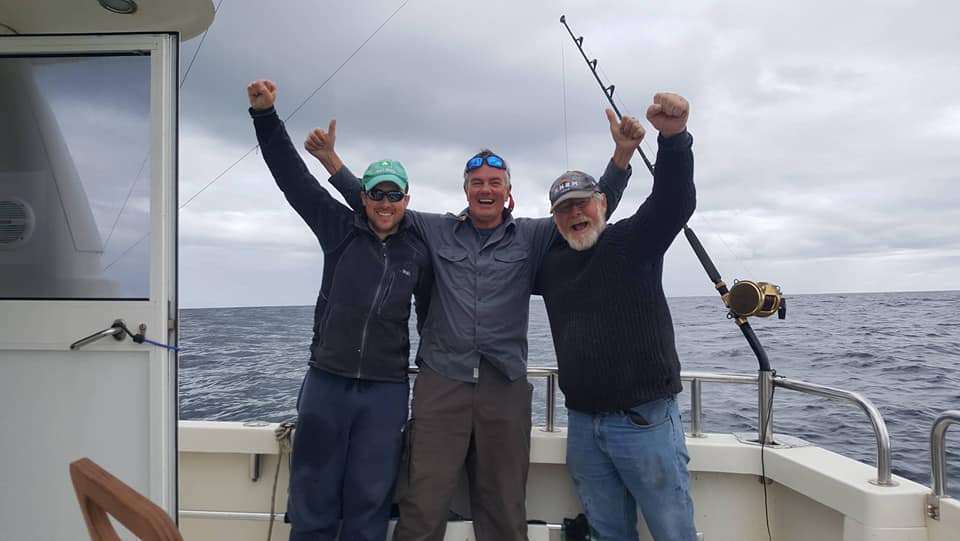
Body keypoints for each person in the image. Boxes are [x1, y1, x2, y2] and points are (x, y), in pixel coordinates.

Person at [304, 110, 645, 540]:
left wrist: (622, 154)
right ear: (465, 191)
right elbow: (377, 204)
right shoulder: (433, 229)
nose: (486, 189)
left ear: (508, 193)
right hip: (440, 384)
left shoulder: (533, 236)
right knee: (422, 503)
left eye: (494, 183)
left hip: (504, 387)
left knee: (504, 507)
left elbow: (592, 211)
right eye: (477, 183)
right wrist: (331, 161)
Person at [246, 79, 433, 541]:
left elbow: (429, 316)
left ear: (406, 200)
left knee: (370, 497)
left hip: (386, 390)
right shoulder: (338, 229)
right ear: (363, 197)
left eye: (394, 195)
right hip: (327, 380)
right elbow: (292, 177)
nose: (385, 203)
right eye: (377, 194)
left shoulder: (420, 250)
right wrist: (265, 116)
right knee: (313, 493)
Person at [533, 92, 697, 540]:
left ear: (603, 204)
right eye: (564, 209)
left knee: (673, 530)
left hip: (644, 421)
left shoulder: (633, 242)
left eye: (584, 203)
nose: (576, 214)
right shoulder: (550, 264)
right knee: (607, 533)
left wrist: (674, 138)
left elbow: (673, 203)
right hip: (583, 425)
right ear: (555, 219)